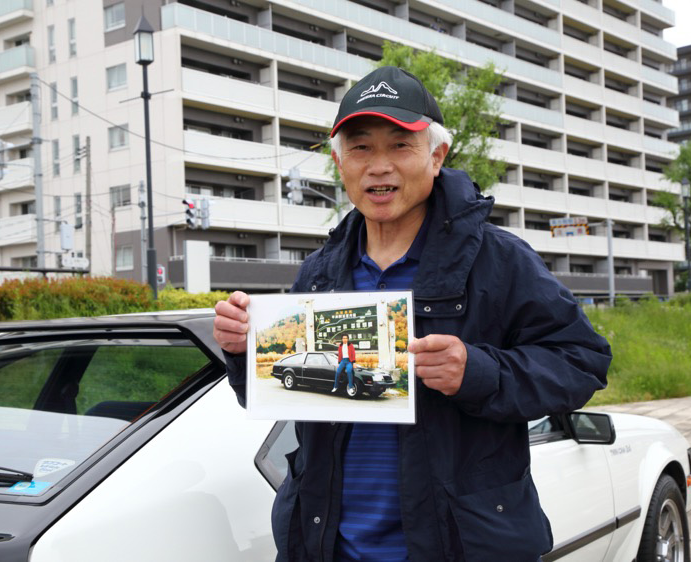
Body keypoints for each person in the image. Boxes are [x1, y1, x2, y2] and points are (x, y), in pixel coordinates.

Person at [213, 65, 611, 561]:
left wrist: (479, 371)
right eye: (361, 147)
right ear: (340, 163)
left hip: (459, 547)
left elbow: (583, 360)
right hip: (326, 545)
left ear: (436, 156)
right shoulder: (319, 272)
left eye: (400, 145)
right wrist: (243, 350)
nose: (379, 166)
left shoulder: (498, 259)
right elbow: (286, 395)